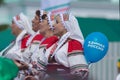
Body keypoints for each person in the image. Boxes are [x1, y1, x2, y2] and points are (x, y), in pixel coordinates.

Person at [44, 13, 89, 80]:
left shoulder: (73, 44)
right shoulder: (55, 44)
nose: (53, 25)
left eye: (57, 22)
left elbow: (81, 73)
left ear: (66, 24)